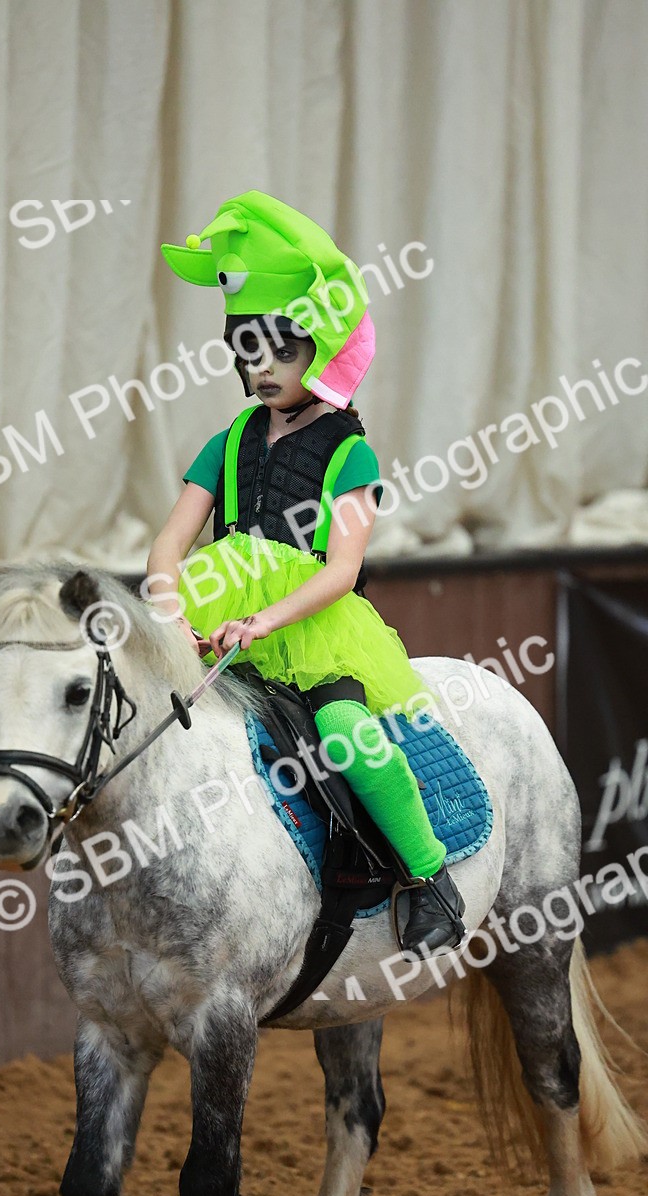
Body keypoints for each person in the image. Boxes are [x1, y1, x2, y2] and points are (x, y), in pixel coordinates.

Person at [147, 191, 465, 955]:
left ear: (318, 349)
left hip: (312, 628)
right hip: (212, 618)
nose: (260, 369)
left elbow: (343, 571)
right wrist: (168, 615)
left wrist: (261, 621)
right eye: (247, 351)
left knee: (346, 732)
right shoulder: (227, 442)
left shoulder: (348, 451)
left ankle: (428, 877)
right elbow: (168, 547)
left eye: (279, 352)